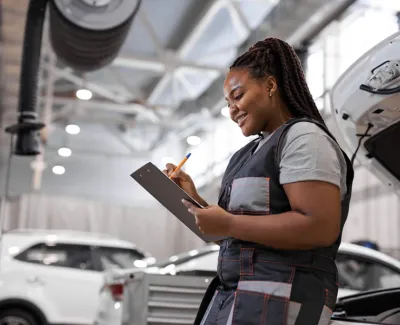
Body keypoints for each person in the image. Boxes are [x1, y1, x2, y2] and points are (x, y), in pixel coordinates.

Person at [164, 37, 354, 325]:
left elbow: (319, 226)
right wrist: (199, 204)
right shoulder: (246, 154)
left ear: (269, 86)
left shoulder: (304, 138)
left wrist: (227, 224)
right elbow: (242, 237)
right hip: (237, 298)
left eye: (238, 97)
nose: (232, 111)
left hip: (282, 300)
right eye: (228, 104)